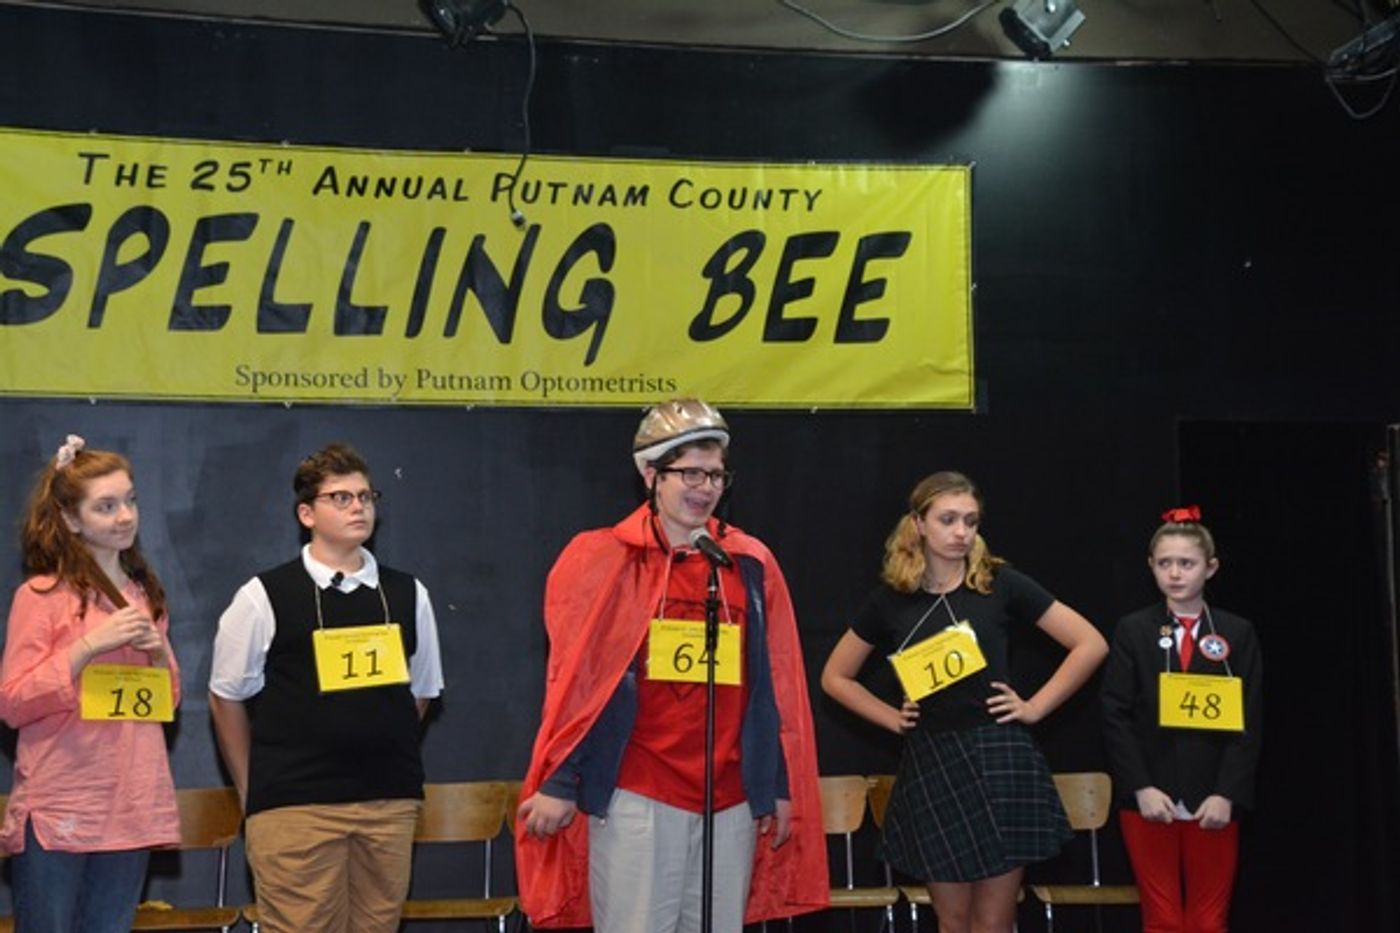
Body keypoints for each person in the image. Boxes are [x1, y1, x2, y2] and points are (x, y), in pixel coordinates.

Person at [514, 398, 827, 932]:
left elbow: (771, 681)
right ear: (651, 475)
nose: (704, 488)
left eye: (716, 475)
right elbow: (581, 686)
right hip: (638, 793)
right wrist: (561, 780)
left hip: (728, 797)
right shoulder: (604, 558)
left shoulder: (747, 562)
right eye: (689, 473)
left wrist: (774, 781)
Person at [822, 470, 1108, 933]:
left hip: (1000, 757)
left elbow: (1090, 643)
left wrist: (1034, 707)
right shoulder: (893, 599)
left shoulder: (999, 583)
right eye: (948, 519)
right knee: (952, 922)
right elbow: (835, 677)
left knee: (993, 922)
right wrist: (892, 719)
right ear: (918, 523)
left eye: (970, 521)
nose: (960, 532)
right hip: (932, 762)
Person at [208, 442, 444, 933]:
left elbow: (420, 693)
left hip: (389, 803)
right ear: (306, 513)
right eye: (340, 497)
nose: (358, 506)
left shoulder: (408, 592)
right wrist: (255, 789)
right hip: (296, 807)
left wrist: (374, 740)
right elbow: (226, 696)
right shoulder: (263, 596)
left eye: (366, 496)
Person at [0, 435, 180, 933]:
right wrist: (88, 646)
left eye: (130, 500)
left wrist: (157, 652)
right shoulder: (39, 596)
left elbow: (168, 701)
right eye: (106, 506)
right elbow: (12, 702)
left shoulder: (144, 594)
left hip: (129, 804)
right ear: (72, 520)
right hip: (62, 807)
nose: (125, 516)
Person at [1101, 506, 1263, 933]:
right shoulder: (1133, 630)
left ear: (1210, 568)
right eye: (1165, 563)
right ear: (1151, 567)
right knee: (1164, 919)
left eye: (1186, 563)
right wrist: (1141, 787)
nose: (1175, 574)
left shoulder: (1236, 632)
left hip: (1213, 797)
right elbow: (1115, 714)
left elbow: (1249, 721)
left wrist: (1227, 793)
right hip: (1151, 797)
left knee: (1209, 921)